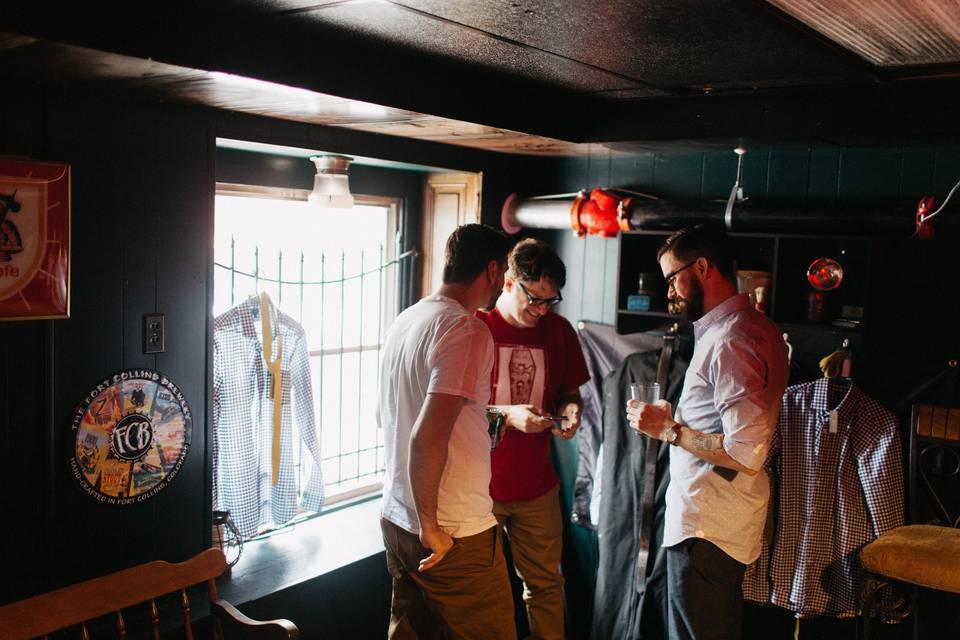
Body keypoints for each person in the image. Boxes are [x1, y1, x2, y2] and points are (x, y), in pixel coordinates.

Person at [625, 224, 789, 640]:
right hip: (715, 524)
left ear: (701, 267)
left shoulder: (733, 338)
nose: (669, 292)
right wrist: (675, 422)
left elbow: (745, 452)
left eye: (672, 279)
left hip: (708, 530)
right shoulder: (750, 327)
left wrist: (670, 430)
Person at [378, 223, 517, 639]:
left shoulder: (409, 318)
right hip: (450, 529)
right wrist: (431, 527)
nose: (502, 285)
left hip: (395, 515)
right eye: (504, 273)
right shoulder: (467, 329)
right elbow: (426, 437)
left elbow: (390, 416)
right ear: (492, 270)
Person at [476, 238, 590, 640]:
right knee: (483, 595)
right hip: (478, 490)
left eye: (550, 301)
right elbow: (455, 412)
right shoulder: (477, 329)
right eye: (534, 299)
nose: (541, 310)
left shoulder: (558, 331)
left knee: (545, 587)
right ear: (508, 283)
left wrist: (572, 411)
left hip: (537, 488)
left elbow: (569, 393)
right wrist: (510, 415)